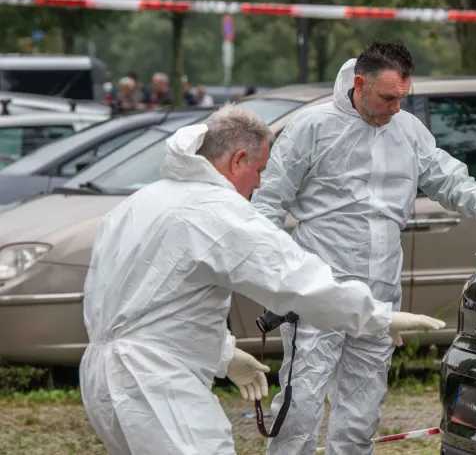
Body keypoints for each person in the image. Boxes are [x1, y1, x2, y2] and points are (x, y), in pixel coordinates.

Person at [79, 105, 445, 455]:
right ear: (238, 159)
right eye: (259, 169)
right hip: (155, 382)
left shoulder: (140, 202)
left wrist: (223, 353)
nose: (259, 183)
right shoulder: (216, 210)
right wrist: (377, 317)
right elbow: (295, 280)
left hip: (102, 377)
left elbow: (155, 300)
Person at [254, 42, 476, 455]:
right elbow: (269, 205)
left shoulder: (408, 131)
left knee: (362, 412)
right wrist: (275, 279)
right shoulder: (312, 128)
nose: (396, 107)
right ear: (360, 84)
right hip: (317, 292)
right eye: (388, 97)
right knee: (301, 404)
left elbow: (445, 176)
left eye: (402, 97)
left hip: (380, 298)